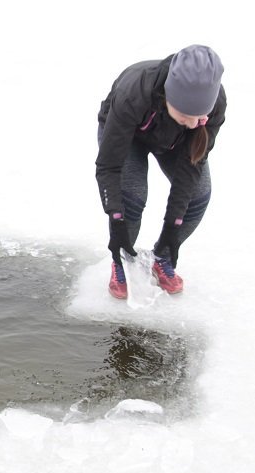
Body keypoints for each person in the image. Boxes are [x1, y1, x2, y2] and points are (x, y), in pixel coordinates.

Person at [96, 44, 226, 299]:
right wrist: (116, 218)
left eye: (200, 118)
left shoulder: (215, 105)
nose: (193, 123)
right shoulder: (135, 90)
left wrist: (172, 228)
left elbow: (191, 168)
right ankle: (122, 260)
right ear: (168, 97)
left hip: (175, 143)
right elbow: (109, 166)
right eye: (186, 115)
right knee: (131, 196)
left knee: (198, 195)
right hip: (127, 137)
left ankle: (162, 257)